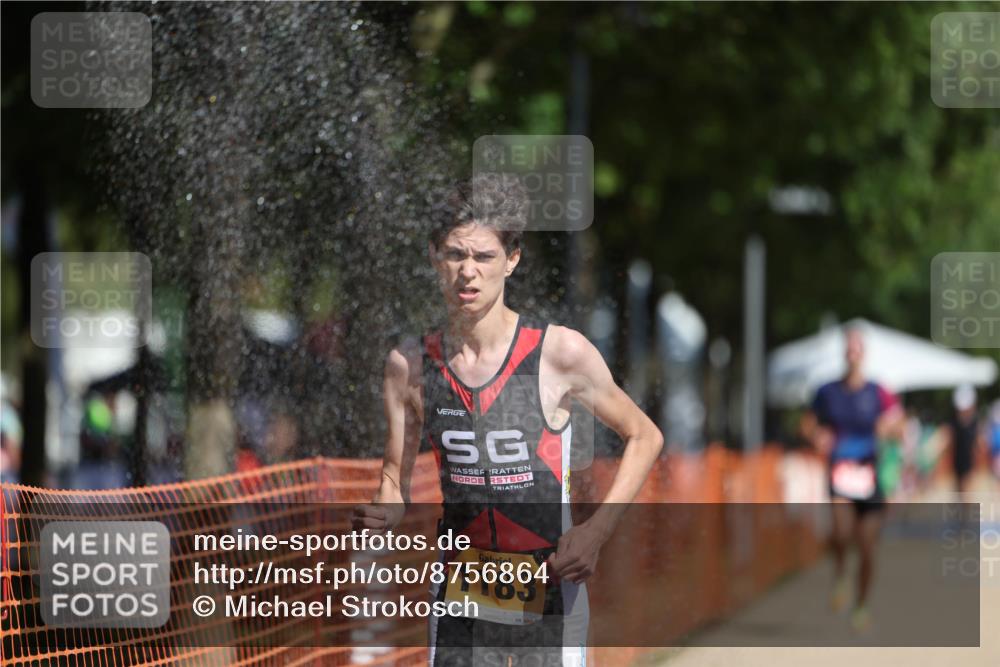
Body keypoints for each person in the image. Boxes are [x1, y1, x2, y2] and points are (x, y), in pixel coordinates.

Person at [353, 174, 664, 666]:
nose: (468, 272)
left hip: (550, 583)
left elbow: (645, 435)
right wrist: (383, 513)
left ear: (511, 260)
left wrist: (595, 532)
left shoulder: (559, 353)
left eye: (484, 257)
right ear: (434, 255)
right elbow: (394, 479)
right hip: (461, 589)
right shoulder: (408, 366)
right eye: (455, 254)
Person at [803, 327, 903, 633]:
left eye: (858, 348)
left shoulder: (879, 392)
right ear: (844, 353)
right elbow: (807, 424)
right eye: (849, 348)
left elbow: (900, 426)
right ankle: (841, 575)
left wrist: (889, 428)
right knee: (841, 531)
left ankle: (862, 605)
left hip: (870, 476)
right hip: (840, 473)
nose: (853, 353)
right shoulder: (827, 391)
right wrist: (817, 435)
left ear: (864, 354)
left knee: (868, 547)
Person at [944, 384, 983, 494]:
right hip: (958, 459)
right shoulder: (955, 421)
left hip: (968, 460)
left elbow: (978, 443)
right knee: (959, 488)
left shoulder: (973, 422)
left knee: (966, 488)